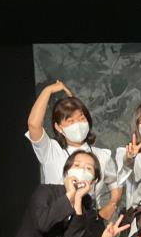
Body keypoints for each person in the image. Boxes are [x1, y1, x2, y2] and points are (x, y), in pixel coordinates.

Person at [25, 80, 120, 219]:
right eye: (70, 121)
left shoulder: (102, 155)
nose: (78, 125)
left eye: (81, 118)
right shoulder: (51, 151)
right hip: (57, 223)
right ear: (58, 127)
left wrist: (112, 204)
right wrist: (48, 90)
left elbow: (115, 182)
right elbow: (33, 125)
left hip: (90, 223)